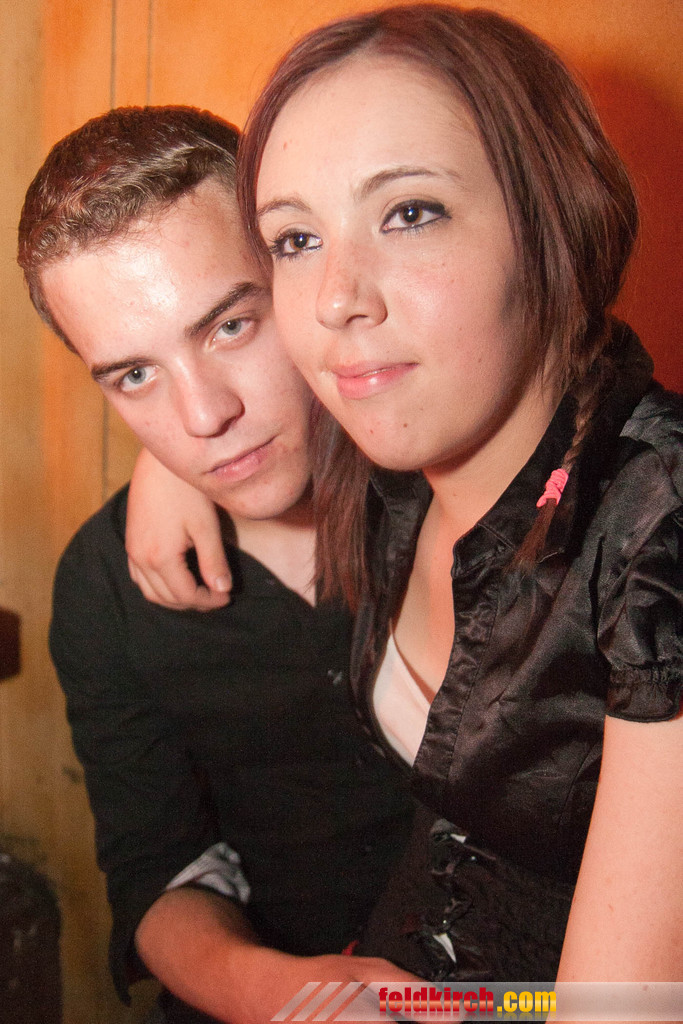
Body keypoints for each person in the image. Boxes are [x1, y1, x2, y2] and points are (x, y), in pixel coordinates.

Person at [132, 4, 682, 986]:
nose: (337, 297)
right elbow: (217, 386)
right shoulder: (386, 453)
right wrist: (165, 466)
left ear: (551, 215)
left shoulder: (656, 534)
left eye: (410, 213)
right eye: (294, 239)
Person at [17, 105, 416, 1024]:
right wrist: (276, 994)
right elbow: (154, 866)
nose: (204, 418)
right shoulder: (102, 585)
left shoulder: (459, 483)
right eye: (135, 375)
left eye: (230, 326)